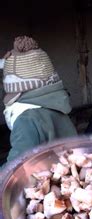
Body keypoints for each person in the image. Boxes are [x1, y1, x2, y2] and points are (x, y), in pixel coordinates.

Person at [1, 36, 77, 164]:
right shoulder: (54, 103)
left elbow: (15, 167)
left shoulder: (26, 120)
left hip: (48, 177)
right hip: (70, 169)